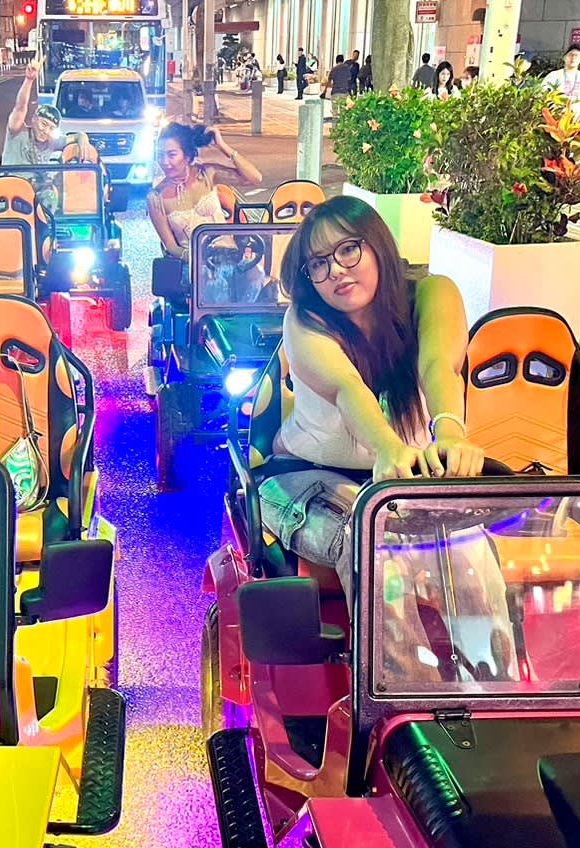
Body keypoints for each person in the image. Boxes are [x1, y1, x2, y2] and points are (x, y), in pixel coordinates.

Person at [260, 196, 495, 615]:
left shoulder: (431, 293)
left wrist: (450, 433)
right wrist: (388, 447)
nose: (336, 270)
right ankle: (385, 662)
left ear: (377, 245)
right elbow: (347, 388)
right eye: (318, 264)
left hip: (405, 481)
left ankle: (492, 660)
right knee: (373, 545)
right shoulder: (304, 320)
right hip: (307, 475)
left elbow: (438, 365)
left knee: (470, 547)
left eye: (348, 249)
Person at [146, 121, 264, 260]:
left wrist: (222, 145)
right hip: (191, 265)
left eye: (171, 155)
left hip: (229, 258)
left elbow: (255, 178)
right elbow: (170, 246)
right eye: (160, 155)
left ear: (187, 156)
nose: (165, 162)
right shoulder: (155, 197)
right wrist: (196, 258)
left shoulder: (207, 174)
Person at [543, 43, 580, 122]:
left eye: (576, 55)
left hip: (575, 122)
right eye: (571, 55)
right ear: (564, 57)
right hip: (555, 120)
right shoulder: (554, 75)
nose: (573, 58)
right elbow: (544, 96)